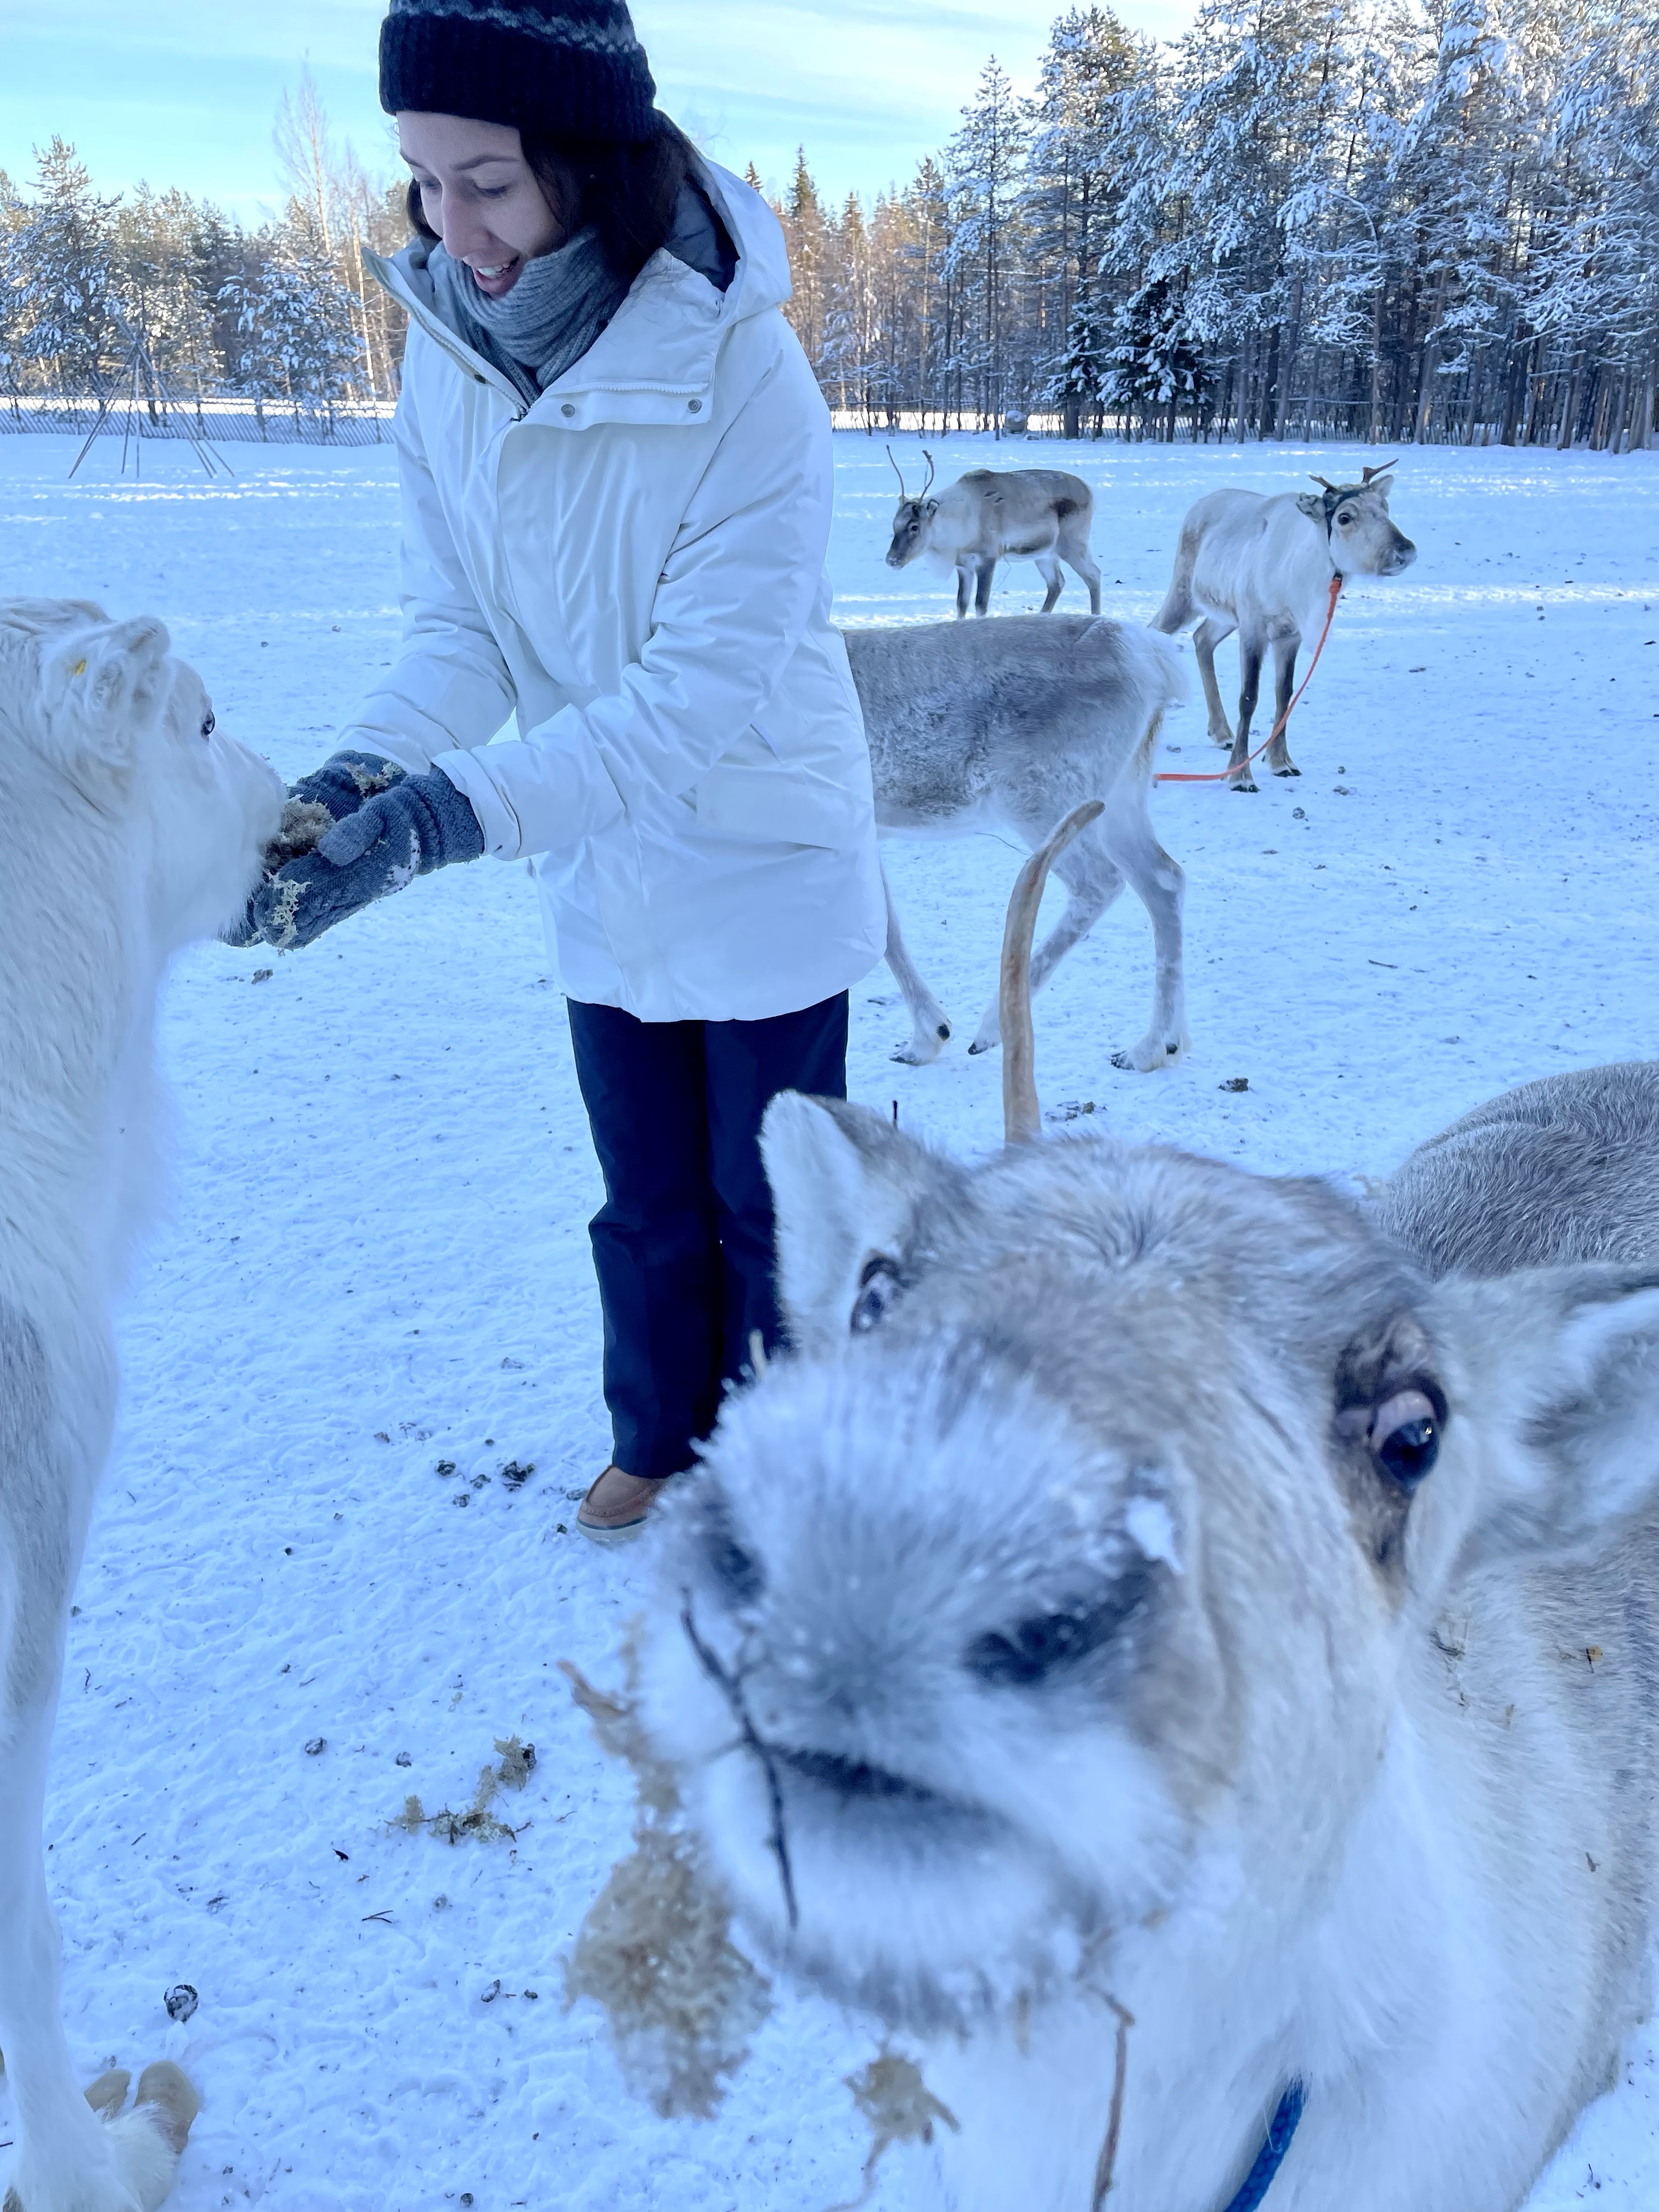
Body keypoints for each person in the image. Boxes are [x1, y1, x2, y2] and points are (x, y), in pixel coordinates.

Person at [249, 0, 885, 1541]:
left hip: (761, 849)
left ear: (589, 165)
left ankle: (794, 1475)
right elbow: (463, 631)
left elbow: (693, 700)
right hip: (600, 859)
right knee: (644, 1194)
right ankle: (659, 1439)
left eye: (488, 182)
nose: (449, 229)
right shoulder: (448, 366)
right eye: (423, 182)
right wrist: (361, 776)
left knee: (772, 1208)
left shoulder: (746, 372)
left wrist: (443, 819)